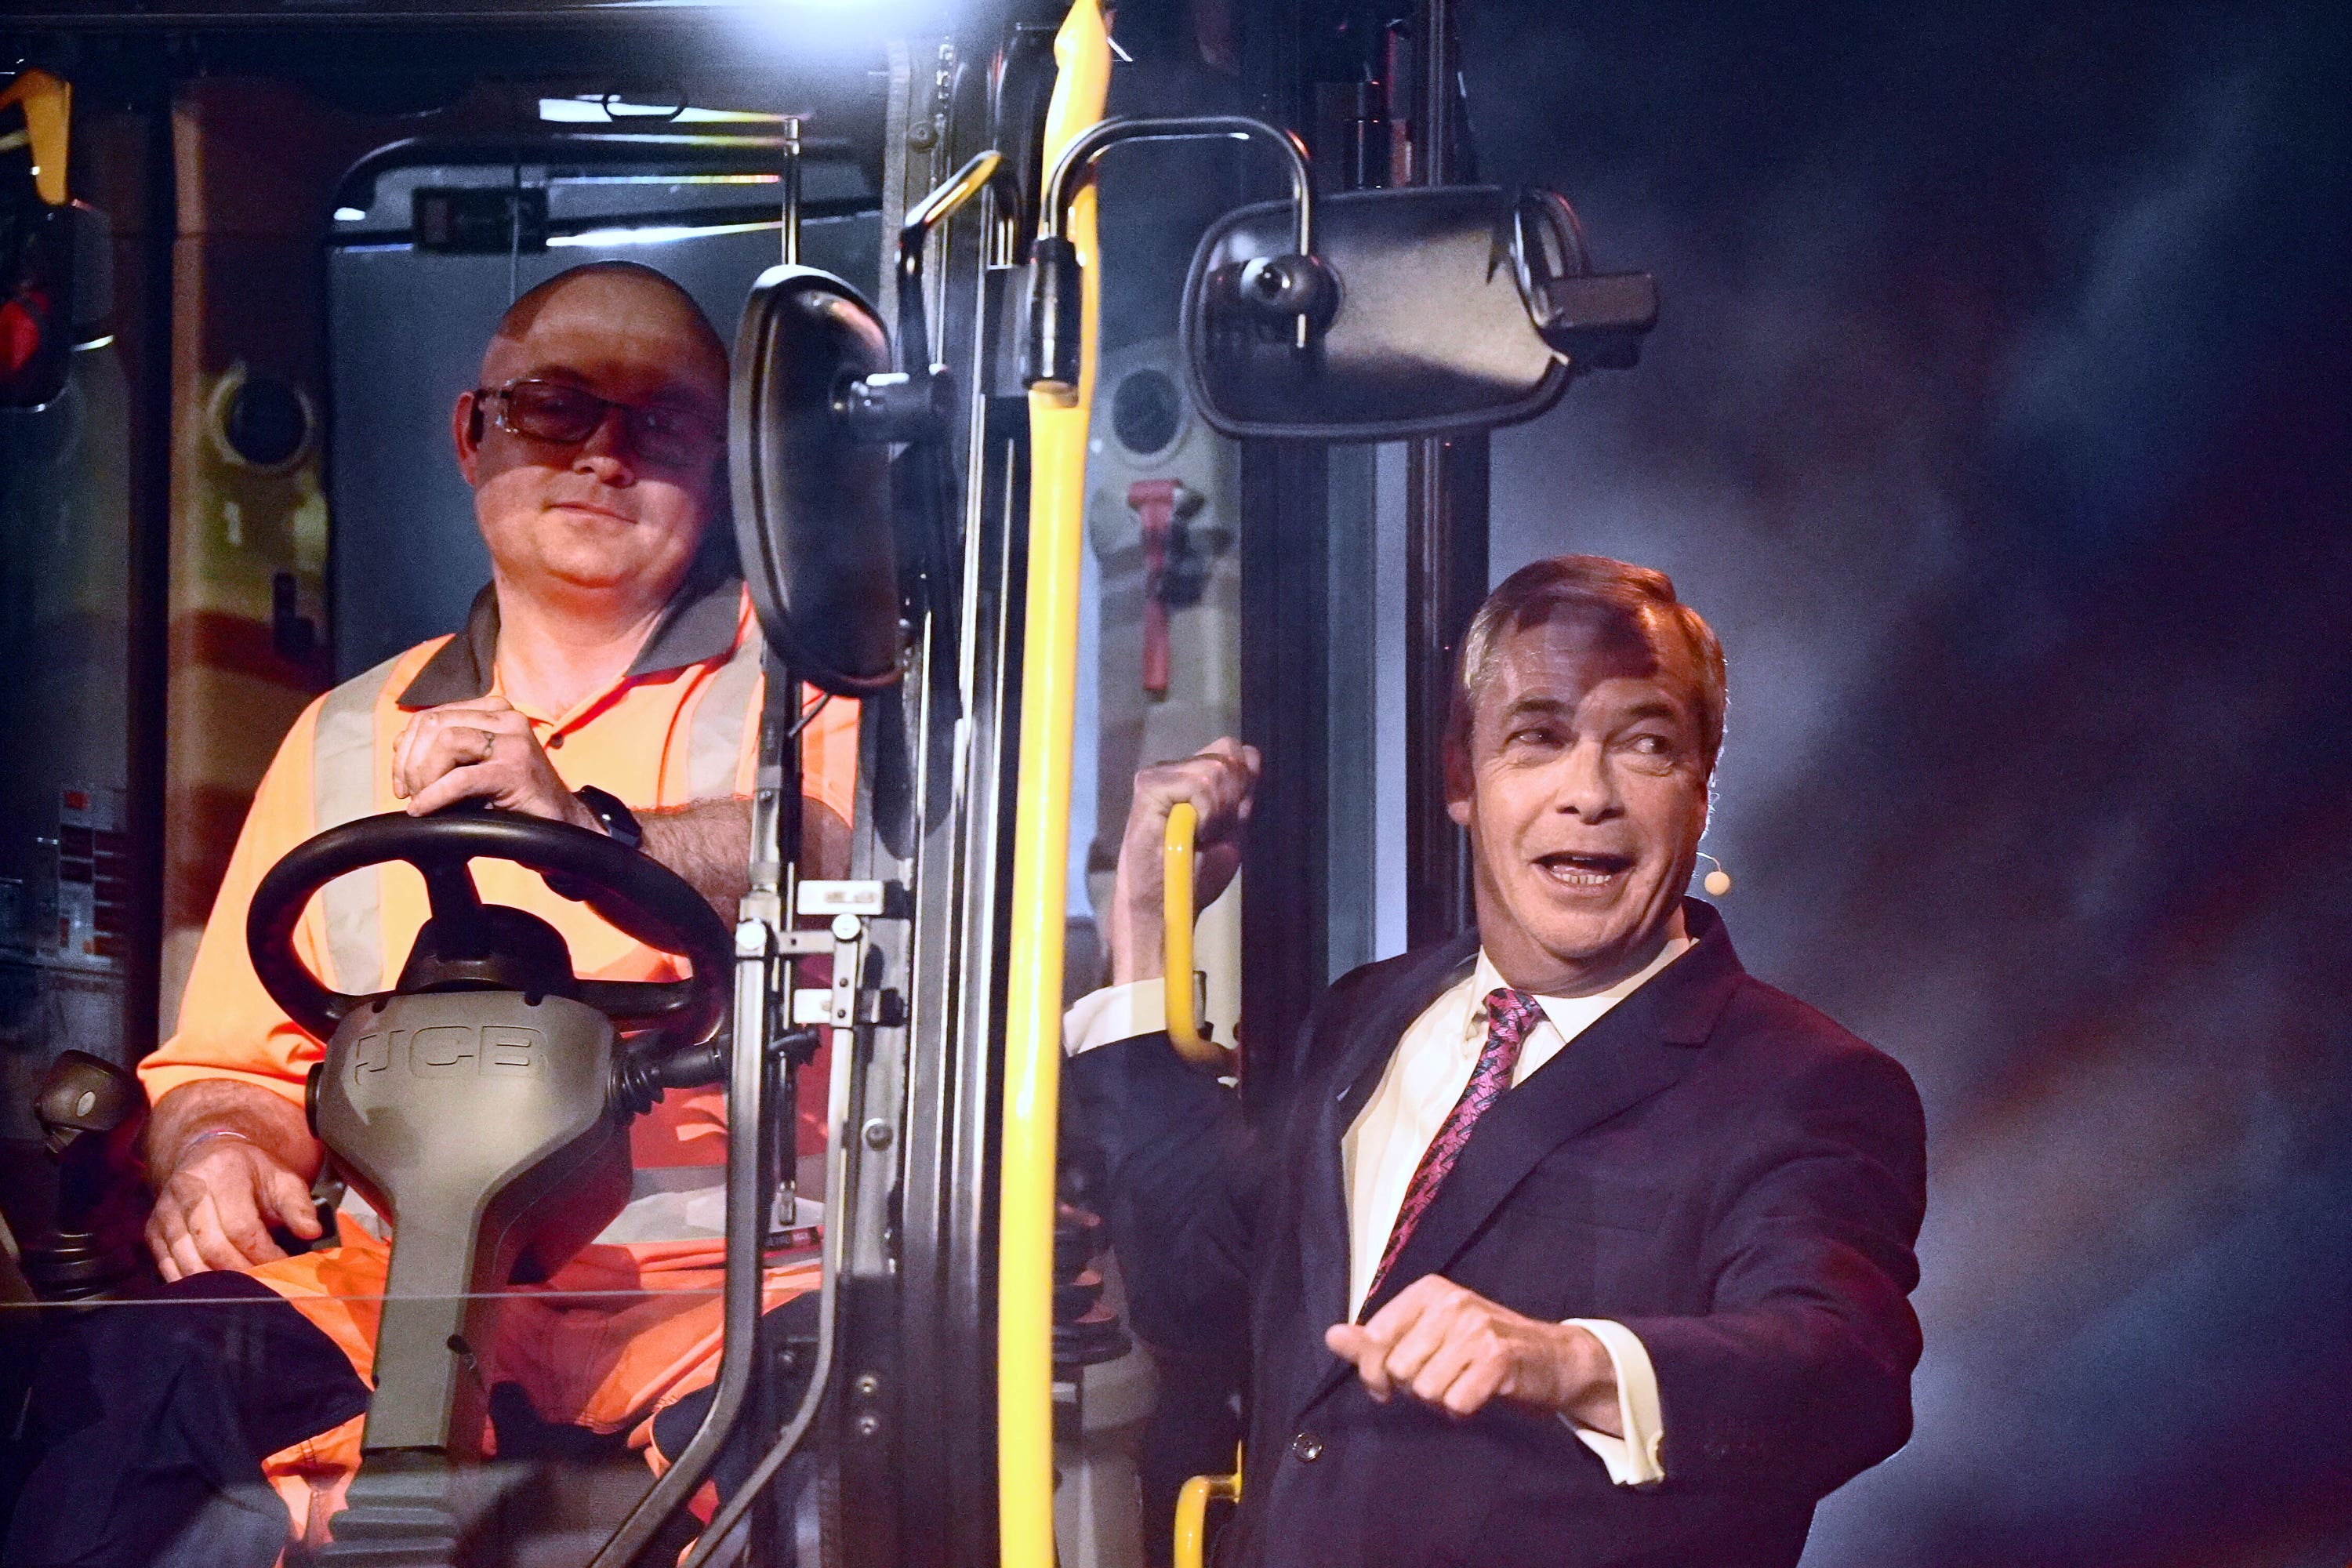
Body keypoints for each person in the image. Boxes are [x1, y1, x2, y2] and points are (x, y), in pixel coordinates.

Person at [4, 261, 855, 1568]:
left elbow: (838, 859)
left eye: (662, 420)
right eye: (557, 410)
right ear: (473, 435)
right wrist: (218, 1152)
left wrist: (594, 832)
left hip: (716, 1295)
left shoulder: (814, 702)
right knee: (113, 1393)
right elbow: (232, 1068)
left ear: (727, 459)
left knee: (835, 1475)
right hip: (402, 1285)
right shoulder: (343, 734)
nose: (606, 456)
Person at [1064, 554, 1926, 1568]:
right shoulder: (1365, 1016)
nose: (1588, 794)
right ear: (1462, 781)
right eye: (1539, 738)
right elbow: (1201, 1282)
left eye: (1645, 744)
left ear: (1700, 791)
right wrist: (1137, 918)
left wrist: (1569, 1362)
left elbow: (1840, 1375)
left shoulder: (1803, 1085)